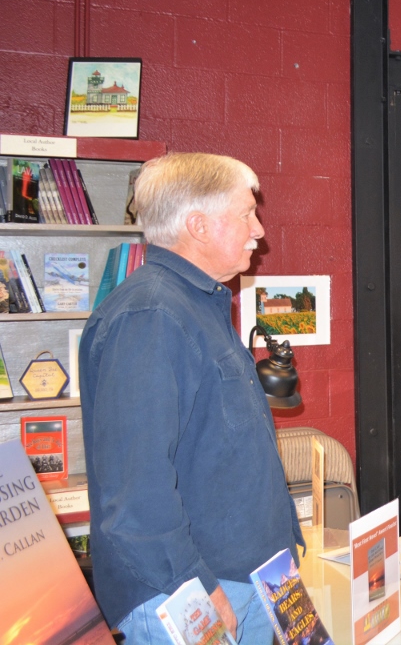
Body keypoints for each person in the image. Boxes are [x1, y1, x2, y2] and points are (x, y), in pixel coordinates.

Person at [80, 153, 303, 643]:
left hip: (251, 577)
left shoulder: (198, 304)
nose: (259, 230)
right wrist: (195, 586)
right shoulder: (150, 315)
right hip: (191, 592)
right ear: (197, 226)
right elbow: (136, 489)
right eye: (246, 213)